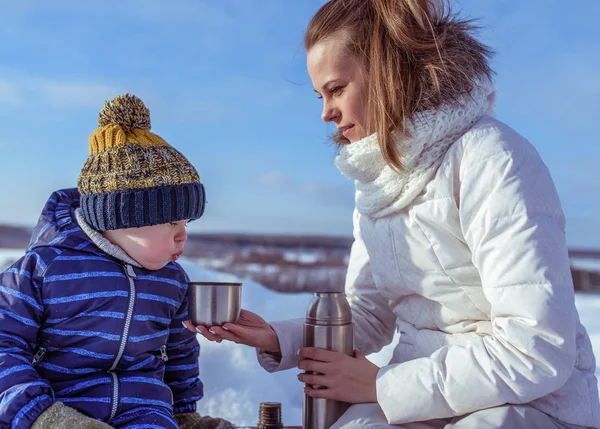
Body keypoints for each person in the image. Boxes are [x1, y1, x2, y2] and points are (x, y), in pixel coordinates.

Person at [184, 1, 600, 428]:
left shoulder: (492, 159)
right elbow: (370, 313)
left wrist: (383, 386)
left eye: (336, 89)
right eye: (320, 95)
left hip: (528, 406)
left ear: (385, 72)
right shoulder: (379, 178)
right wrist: (278, 337)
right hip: (422, 398)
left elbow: (537, 348)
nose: (325, 113)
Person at [0, 94, 234, 429]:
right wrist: (41, 416)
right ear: (122, 219)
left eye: (186, 224)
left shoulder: (171, 281)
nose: (183, 236)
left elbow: (179, 354)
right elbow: (4, 346)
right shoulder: (42, 271)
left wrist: (183, 414)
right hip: (55, 411)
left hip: (143, 413)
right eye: (172, 223)